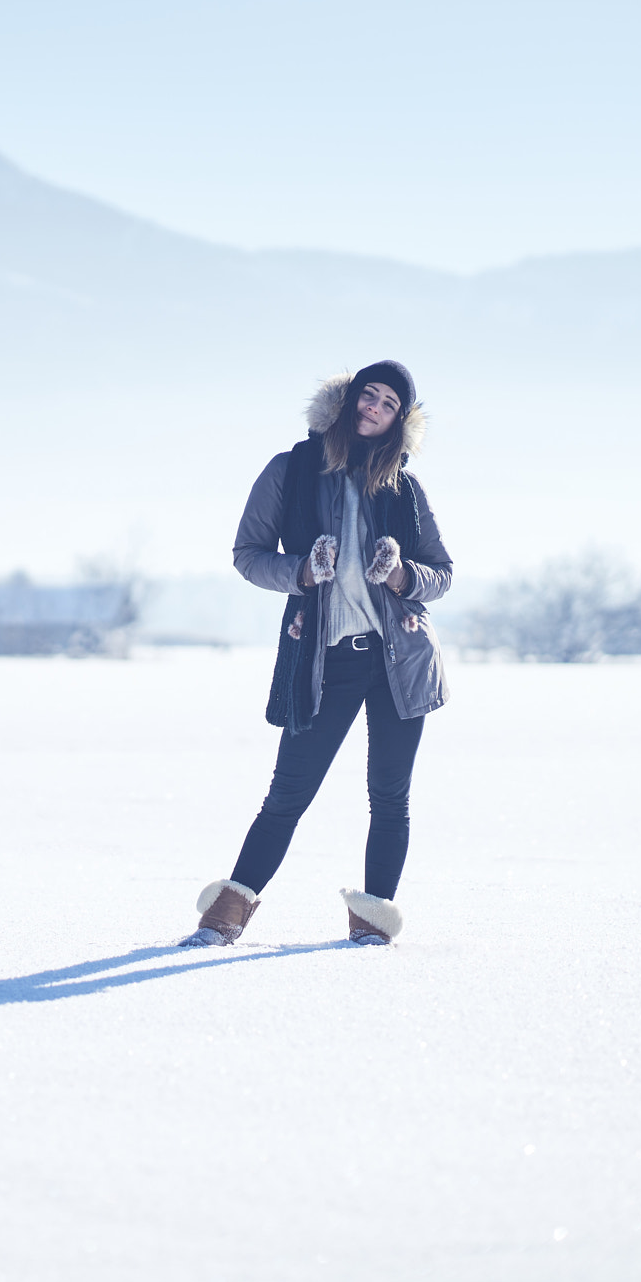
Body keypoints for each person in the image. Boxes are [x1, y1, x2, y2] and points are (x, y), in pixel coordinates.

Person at [180, 361, 452, 948]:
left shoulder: (403, 486)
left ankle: (372, 927)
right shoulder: (292, 470)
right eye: (367, 395)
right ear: (347, 399)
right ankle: (222, 921)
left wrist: (404, 574)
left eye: (388, 405)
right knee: (286, 797)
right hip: (327, 660)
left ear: (399, 421)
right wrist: (300, 570)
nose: (373, 408)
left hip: (398, 662)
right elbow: (247, 554)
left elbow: (443, 572)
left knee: (390, 797)